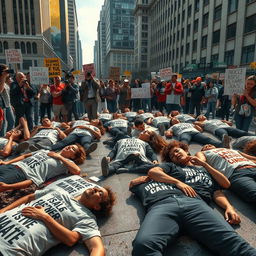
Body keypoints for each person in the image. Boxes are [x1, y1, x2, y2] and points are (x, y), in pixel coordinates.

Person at [129, 140, 256, 256]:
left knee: (235, 244)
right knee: (142, 245)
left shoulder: (206, 171)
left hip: (197, 204)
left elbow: (223, 186)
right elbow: (153, 172)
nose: (176, 155)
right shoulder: (173, 167)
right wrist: (178, 182)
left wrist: (229, 207)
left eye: (177, 151)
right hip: (167, 203)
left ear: (186, 150)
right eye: (172, 156)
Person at [0, 175, 116, 256]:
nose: (95, 189)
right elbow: (30, 197)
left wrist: (45, 217)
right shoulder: (60, 193)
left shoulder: (86, 217)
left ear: (97, 207)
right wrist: (3, 210)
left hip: (9, 249)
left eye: (100, 193)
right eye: (97, 187)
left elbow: (95, 247)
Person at [0, 144, 85, 192]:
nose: (69, 147)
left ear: (73, 157)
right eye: (70, 146)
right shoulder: (46, 151)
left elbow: (77, 171)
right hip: (12, 166)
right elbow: (25, 156)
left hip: (22, 174)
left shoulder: (66, 163)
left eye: (73, 149)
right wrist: (7, 162)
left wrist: (59, 157)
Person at [0, 64, 15, 135]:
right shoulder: (1, 80)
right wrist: (3, 77)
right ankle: (2, 138)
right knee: (3, 123)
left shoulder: (5, 80)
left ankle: (7, 136)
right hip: (2, 105)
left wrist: (10, 105)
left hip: (7, 104)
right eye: (6, 70)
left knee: (11, 121)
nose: (7, 72)